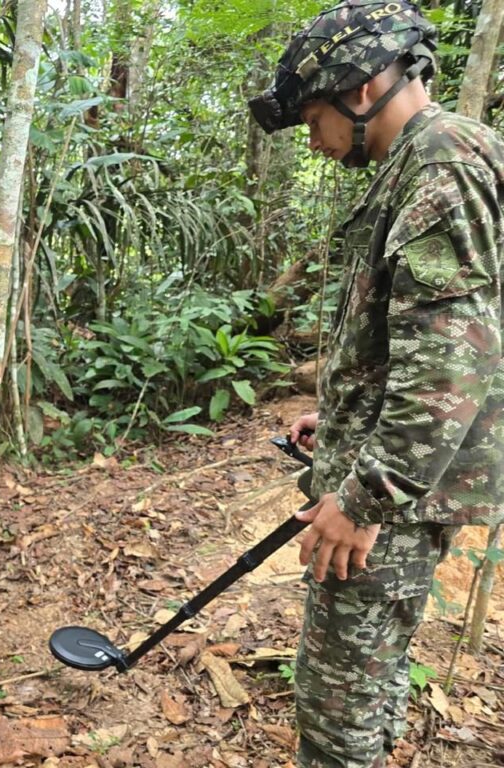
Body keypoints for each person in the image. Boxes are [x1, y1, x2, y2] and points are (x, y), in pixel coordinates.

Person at [248, 2, 504, 766]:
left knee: (336, 712)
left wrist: (365, 498)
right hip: (402, 481)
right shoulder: (428, 158)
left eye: (314, 120)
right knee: (366, 685)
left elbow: (450, 366)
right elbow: (412, 340)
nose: (315, 143)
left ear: (361, 90)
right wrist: (341, 421)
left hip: (394, 502)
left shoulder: (441, 166)